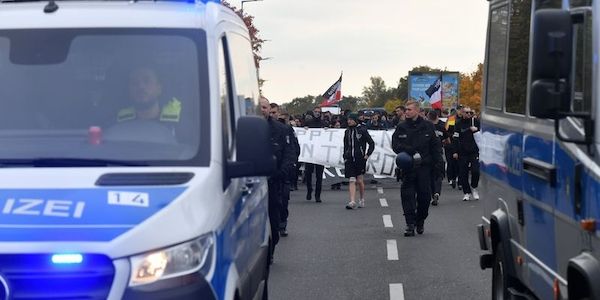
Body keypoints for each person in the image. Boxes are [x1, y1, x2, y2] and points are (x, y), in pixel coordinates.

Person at [392, 100, 443, 237]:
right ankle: (410, 224)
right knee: (407, 196)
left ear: (416, 110)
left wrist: (439, 165)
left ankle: (420, 220)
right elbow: (396, 145)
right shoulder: (401, 127)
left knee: (424, 198)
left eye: (409, 109)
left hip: (424, 168)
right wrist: (410, 151)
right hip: (408, 167)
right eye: (406, 110)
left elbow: (435, 146)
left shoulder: (428, 126)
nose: (406, 112)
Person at [259, 97, 295, 262]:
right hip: (250, 183)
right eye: (259, 107)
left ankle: (271, 249)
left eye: (265, 107)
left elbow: (290, 154)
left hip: (273, 183)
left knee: (274, 221)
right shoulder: (242, 128)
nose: (262, 110)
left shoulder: (282, 130)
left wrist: (281, 173)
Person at [116, 66, 186, 140]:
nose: (141, 86)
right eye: (134, 82)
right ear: (129, 90)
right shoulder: (119, 122)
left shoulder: (179, 122)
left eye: (147, 81)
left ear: (159, 88)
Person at [270, 103, 300, 237]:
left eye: (274, 112)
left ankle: (282, 223)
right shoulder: (261, 128)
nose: (272, 115)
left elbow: (293, 149)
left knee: (283, 200)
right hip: (268, 174)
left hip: (283, 174)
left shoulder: (286, 129)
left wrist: (288, 167)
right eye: (269, 112)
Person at [343, 113, 375, 209]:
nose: (349, 121)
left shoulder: (362, 130)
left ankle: (361, 198)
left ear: (355, 120)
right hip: (349, 159)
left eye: (351, 119)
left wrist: (367, 155)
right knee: (352, 179)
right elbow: (345, 145)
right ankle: (352, 201)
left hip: (360, 159)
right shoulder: (347, 131)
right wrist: (345, 155)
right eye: (348, 120)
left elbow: (371, 143)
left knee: (360, 180)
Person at [452, 107, 481, 201]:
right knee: (463, 173)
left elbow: (482, 134)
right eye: (467, 112)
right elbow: (455, 138)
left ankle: (474, 187)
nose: (469, 114)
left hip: (474, 151)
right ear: (462, 113)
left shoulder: (475, 121)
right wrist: (455, 151)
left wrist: (476, 130)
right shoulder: (458, 123)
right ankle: (467, 192)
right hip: (463, 152)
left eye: (470, 112)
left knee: (475, 171)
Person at [303, 107, 326, 202]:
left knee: (319, 176)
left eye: (318, 112)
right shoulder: (308, 123)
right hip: (310, 153)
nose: (317, 113)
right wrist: (305, 129)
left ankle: (318, 194)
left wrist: (326, 131)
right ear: (313, 112)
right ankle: (309, 190)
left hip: (320, 153)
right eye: (315, 112)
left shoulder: (323, 124)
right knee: (308, 174)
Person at [427, 110, 447, 206]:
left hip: (429, 154)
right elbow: (448, 139)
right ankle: (437, 193)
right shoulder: (443, 126)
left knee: (431, 175)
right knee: (439, 175)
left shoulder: (426, 126)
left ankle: (433, 195)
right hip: (439, 153)